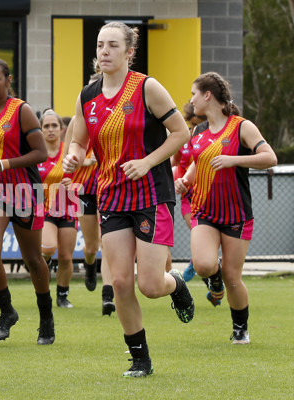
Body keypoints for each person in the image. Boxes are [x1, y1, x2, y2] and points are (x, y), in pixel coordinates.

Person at [62, 21, 195, 377]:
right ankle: (140, 358)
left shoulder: (147, 87)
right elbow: (78, 140)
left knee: (151, 285)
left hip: (152, 194)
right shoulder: (87, 95)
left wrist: (149, 161)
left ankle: (176, 283)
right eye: (100, 45)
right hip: (112, 195)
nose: (104, 52)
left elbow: (182, 132)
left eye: (112, 46)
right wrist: (72, 156)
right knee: (120, 282)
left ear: (129, 52)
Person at [175, 72, 277, 344]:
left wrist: (234, 160)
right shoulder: (197, 131)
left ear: (208, 95)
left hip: (236, 215)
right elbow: (199, 162)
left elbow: (270, 157)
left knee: (234, 278)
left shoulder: (242, 127)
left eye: (194, 94)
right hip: (204, 212)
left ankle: (240, 329)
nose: (191, 100)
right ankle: (214, 279)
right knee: (204, 264)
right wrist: (184, 182)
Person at [0, 57, 55, 345]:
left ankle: (46, 318)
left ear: (8, 81)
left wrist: (4, 164)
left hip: (24, 189)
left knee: (32, 259)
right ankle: (6, 311)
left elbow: (41, 154)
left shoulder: (22, 110)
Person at [63, 113, 116, 316]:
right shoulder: (77, 121)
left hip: (109, 188)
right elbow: (65, 157)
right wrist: (85, 162)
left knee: (108, 242)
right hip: (84, 188)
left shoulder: (114, 118)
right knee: (92, 246)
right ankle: (90, 263)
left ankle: (107, 295)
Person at [38, 109, 80, 308]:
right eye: (46, 126)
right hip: (45, 211)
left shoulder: (70, 153)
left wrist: (74, 185)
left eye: (54, 125)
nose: (51, 129)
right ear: (41, 130)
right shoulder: (37, 153)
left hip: (69, 209)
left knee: (65, 256)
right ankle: (41, 266)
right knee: (48, 247)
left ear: (62, 129)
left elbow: (83, 178)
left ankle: (62, 295)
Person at [172, 103, 206, 283]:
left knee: (207, 241)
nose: (194, 129)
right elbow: (174, 161)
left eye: (197, 125)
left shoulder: (212, 140)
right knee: (197, 232)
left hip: (210, 195)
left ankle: (202, 268)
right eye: (191, 125)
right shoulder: (184, 141)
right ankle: (198, 263)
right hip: (189, 196)